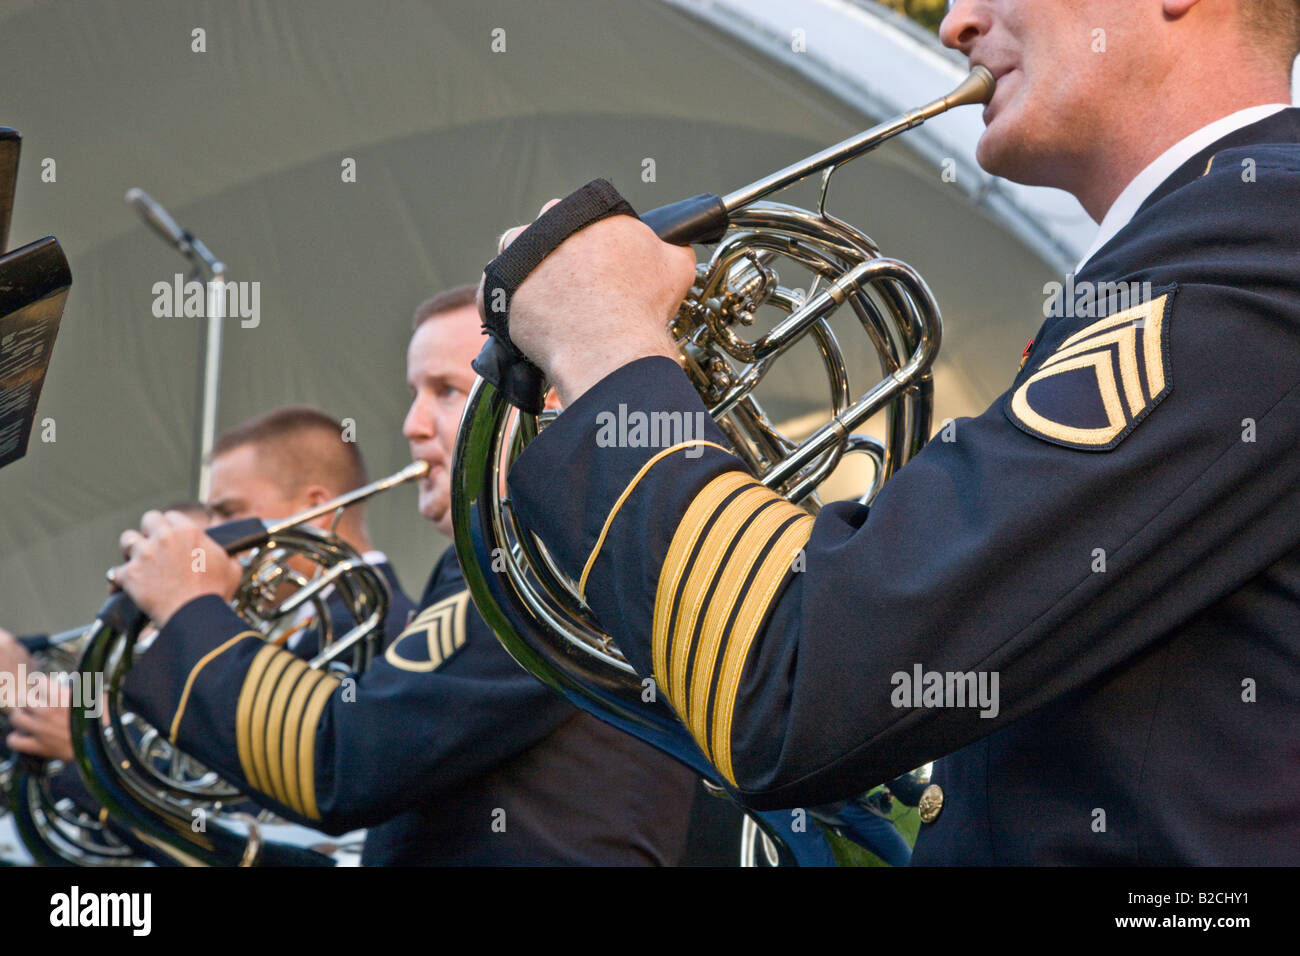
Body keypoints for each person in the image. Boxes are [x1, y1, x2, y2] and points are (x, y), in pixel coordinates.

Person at [478, 0, 1300, 864]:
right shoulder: (1215, 240)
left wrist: (606, 346)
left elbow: (801, 675)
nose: (956, 24)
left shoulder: (1256, 237)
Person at [110, 285, 699, 865]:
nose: (412, 426)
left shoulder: (547, 549)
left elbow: (341, 760)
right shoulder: (525, 547)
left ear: (545, 402)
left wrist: (189, 609)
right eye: (415, 394)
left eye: (446, 391)